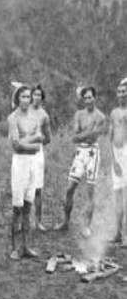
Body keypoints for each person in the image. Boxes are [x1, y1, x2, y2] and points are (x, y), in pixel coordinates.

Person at [56, 86, 106, 236]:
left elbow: (93, 135)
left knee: (90, 190)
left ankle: (87, 226)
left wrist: (84, 134)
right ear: (83, 100)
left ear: (95, 98)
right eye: (85, 98)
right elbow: (75, 136)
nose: (88, 100)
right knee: (70, 188)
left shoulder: (101, 117)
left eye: (90, 97)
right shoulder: (78, 114)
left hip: (93, 152)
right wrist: (87, 133)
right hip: (80, 152)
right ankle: (65, 221)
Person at [7, 84, 42, 260]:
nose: (26, 100)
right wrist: (31, 140)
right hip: (19, 163)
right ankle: (14, 248)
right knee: (17, 208)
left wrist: (26, 142)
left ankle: (26, 246)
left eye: (28, 97)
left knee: (29, 205)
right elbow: (16, 145)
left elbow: (39, 143)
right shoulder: (13, 118)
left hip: (32, 163)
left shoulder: (35, 117)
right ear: (17, 98)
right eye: (23, 97)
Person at [30, 84, 52, 231]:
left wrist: (38, 141)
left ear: (42, 98)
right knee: (24, 187)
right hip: (24, 153)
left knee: (37, 189)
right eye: (34, 94)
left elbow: (48, 138)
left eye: (39, 95)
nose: (36, 97)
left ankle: (38, 222)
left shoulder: (44, 115)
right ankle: (24, 221)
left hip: (37, 154)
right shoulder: (24, 110)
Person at [108, 78, 127, 245]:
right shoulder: (114, 113)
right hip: (116, 153)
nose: (122, 94)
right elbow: (110, 137)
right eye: (120, 92)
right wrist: (114, 160)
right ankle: (118, 233)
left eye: (124, 91)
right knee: (117, 194)